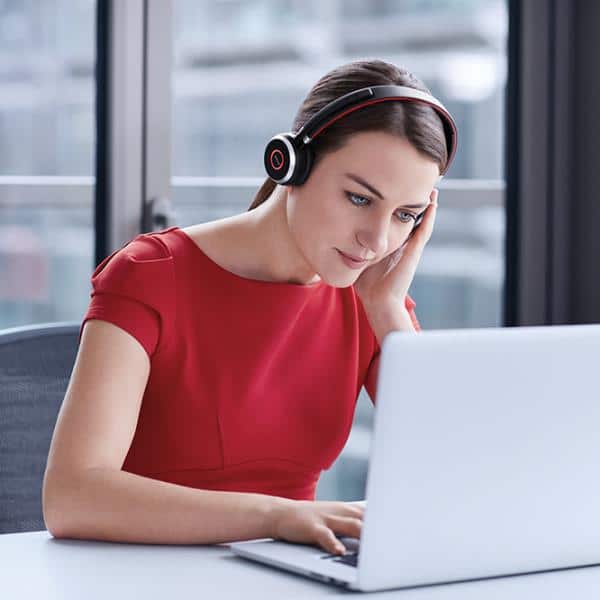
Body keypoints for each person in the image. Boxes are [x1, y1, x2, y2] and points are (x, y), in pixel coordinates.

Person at [42, 58, 455, 556]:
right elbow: (71, 496)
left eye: (405, 215)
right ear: (290, 163)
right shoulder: (151, 274)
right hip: (143, 576)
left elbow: (451, 478)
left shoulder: (373, 297)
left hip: (286, 579)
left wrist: (388, 309)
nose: (377, 239)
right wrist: (276, 516)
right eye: (359, 199)